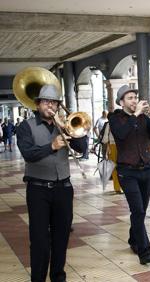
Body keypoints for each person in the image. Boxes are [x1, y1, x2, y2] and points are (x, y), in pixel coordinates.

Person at [16, 84, 86, 282]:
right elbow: (29, 155)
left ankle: (58, 276)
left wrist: (70, 129)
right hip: (38, 190)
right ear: (38, 104)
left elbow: (82, 149)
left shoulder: (63, 125)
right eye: (46, 101)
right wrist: (52, 146)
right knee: (39, 240)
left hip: (63, 188)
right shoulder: (25, 127)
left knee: (61, 236)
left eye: (54, 102)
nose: (50, 105)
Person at [109, 85, 150, 265]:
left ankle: (134, 240)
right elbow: (122, 135)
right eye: (130, 98)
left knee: (141, 211)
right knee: (138, 211)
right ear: (122, 101)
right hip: (127, 172)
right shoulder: (115, 118)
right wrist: (135, 115)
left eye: (135, 97)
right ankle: (144, 251)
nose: (134, 100)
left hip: (147, 170)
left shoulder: (144, 118)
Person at [101, 112, 123, 193]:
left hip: (113, 146)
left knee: (114, 167)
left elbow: (105, 139)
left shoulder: (109, 124)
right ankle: (122, 186)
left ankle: (117, 188)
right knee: (122, 167)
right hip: (121, 147)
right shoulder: (121, 123)